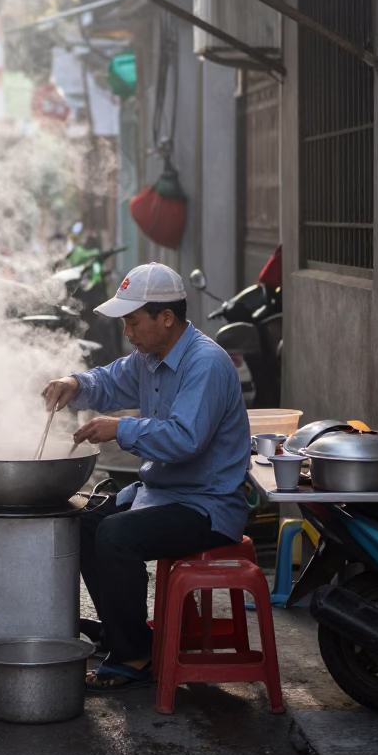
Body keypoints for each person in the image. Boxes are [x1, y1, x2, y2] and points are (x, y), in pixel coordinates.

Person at [42, 262, 251, 694]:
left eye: (133, 322)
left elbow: (186, 440)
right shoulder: (148, 360)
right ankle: (126, 634)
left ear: (166, 318)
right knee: (83, 522)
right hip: (162, 493)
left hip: (207, 506)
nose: (128, 333)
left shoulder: (206, 363)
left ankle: (135, 654)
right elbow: (107, 381)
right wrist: (74, 383)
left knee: (116, 536)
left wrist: (120, 428)